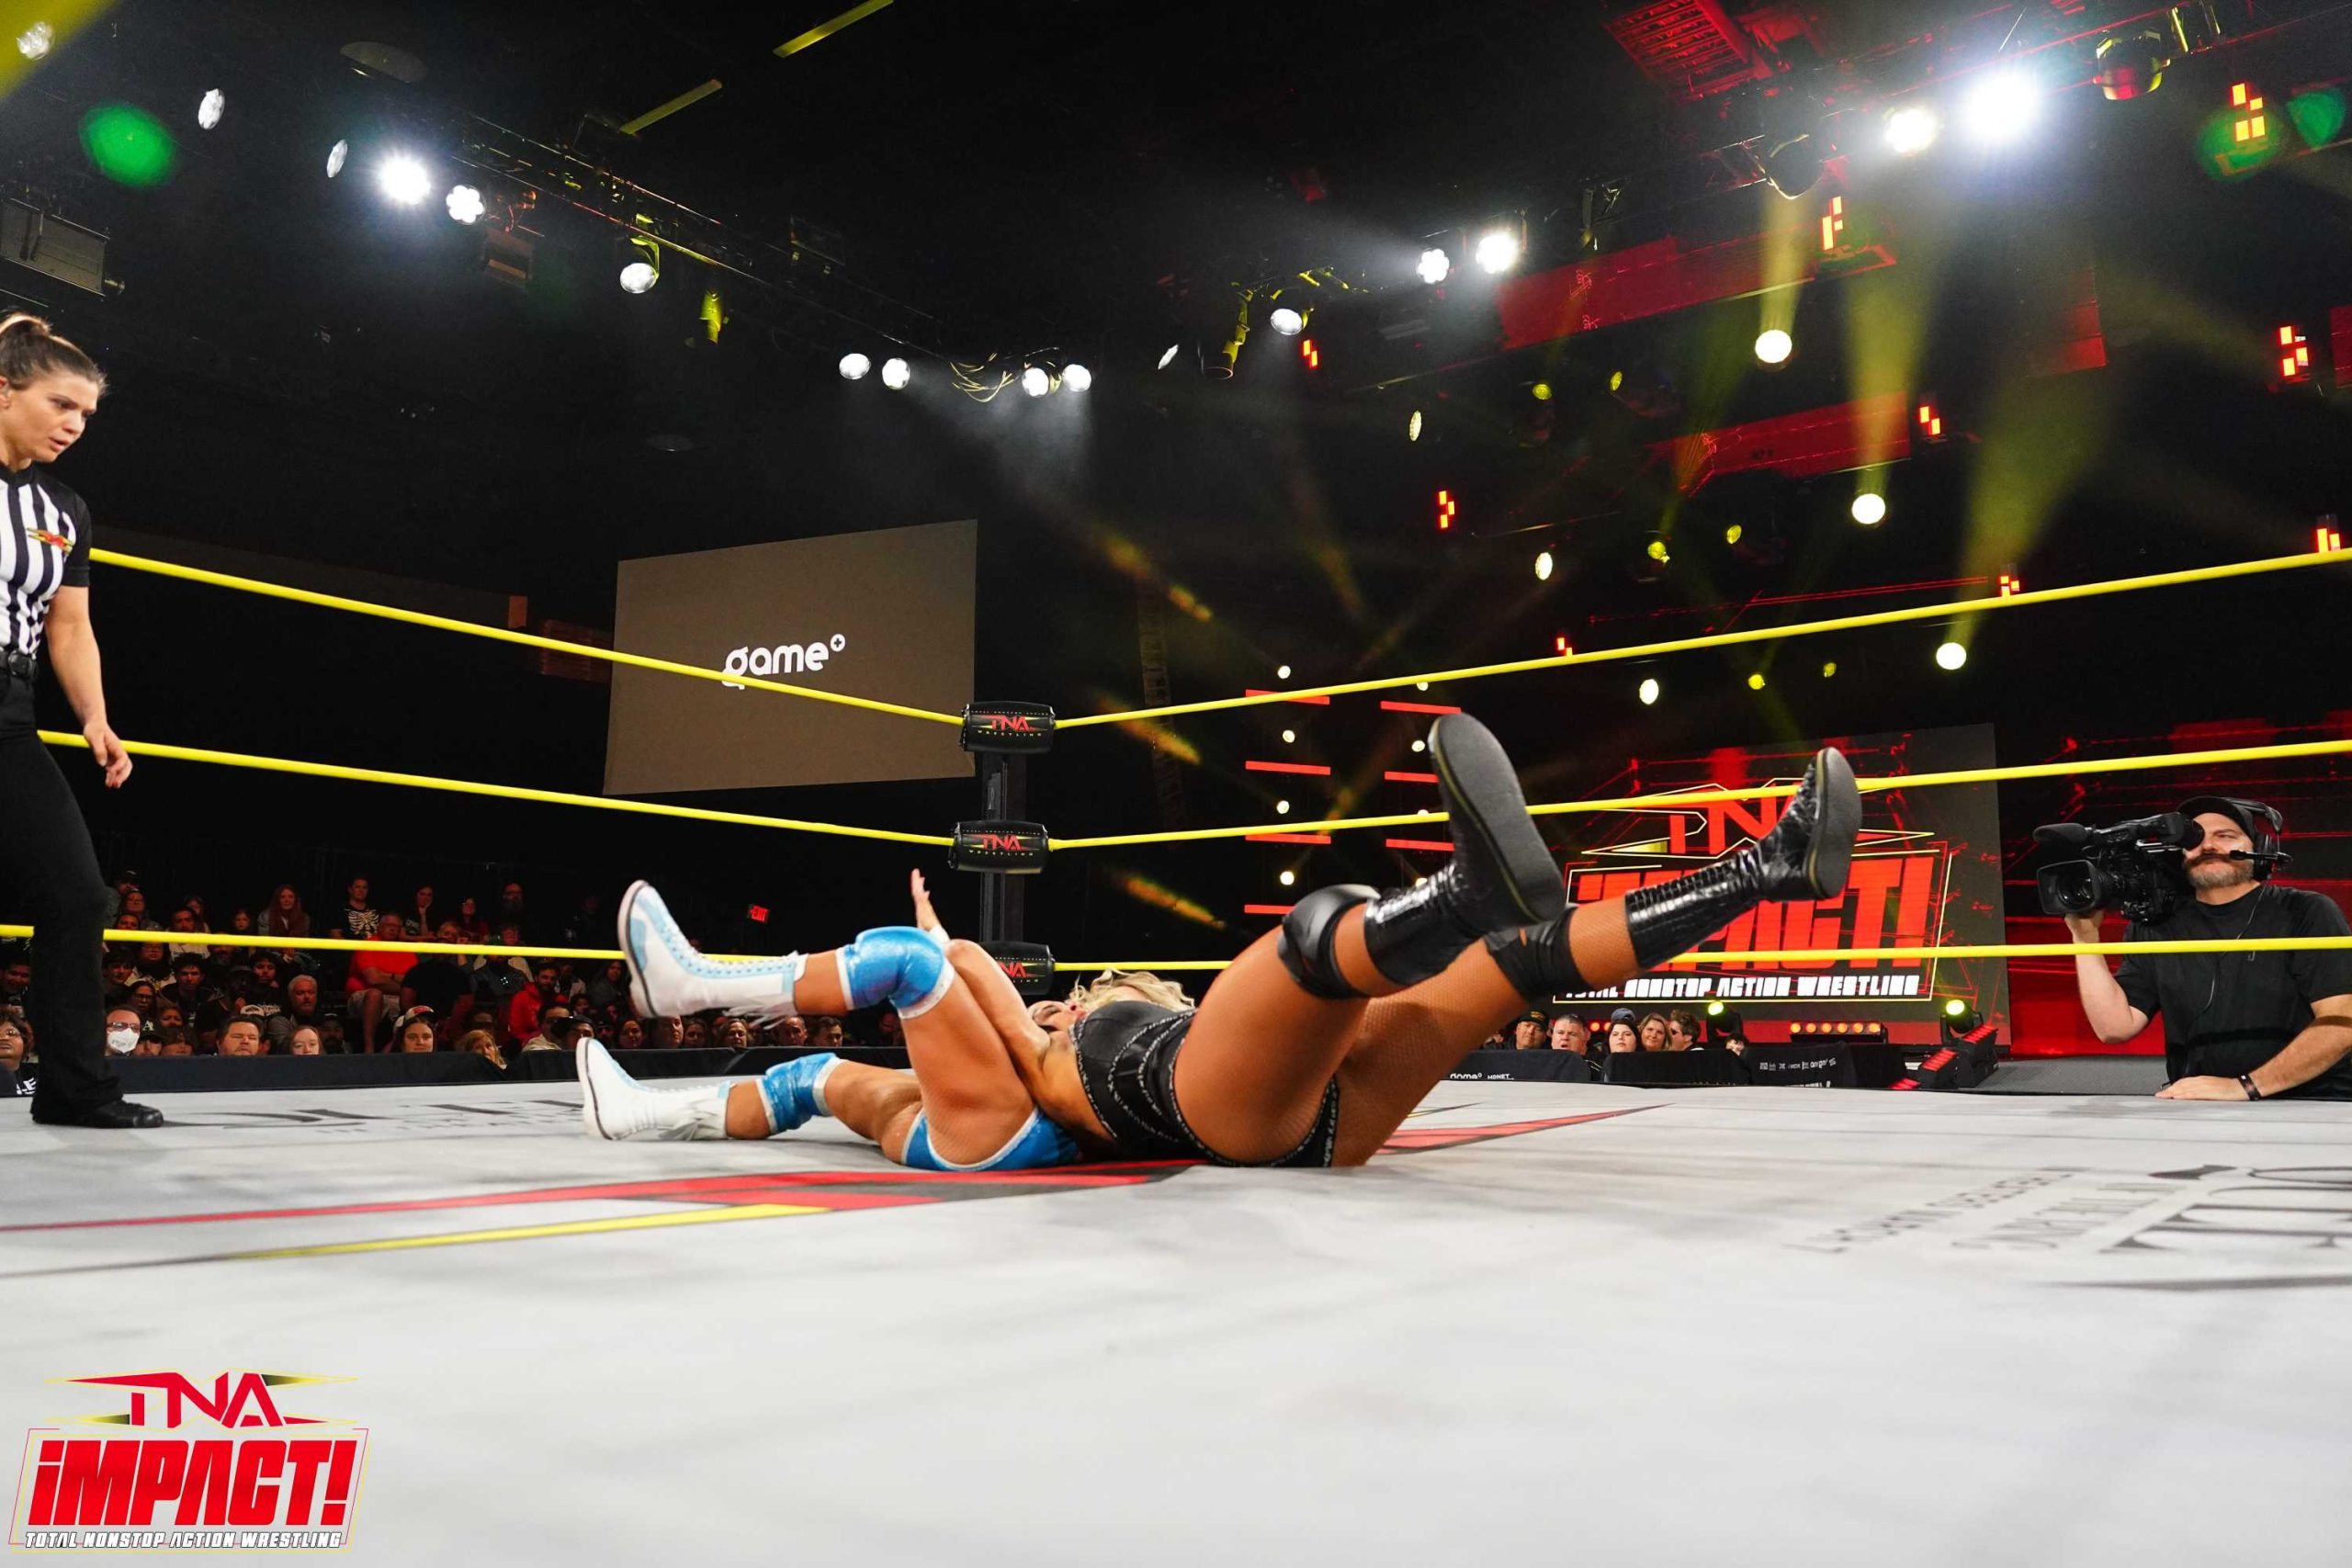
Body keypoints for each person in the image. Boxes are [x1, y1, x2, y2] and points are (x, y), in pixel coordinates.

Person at [581, 718, 1858, 1170]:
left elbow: (853, 1063)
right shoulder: (1030, 1067)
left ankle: (1762, 869)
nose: (1064, 998)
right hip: (1218, 1102)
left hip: (1282, 1103)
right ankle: (1461, 892)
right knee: (1306, 941)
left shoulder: (1013, 1058)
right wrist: (958, 962)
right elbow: (965, 1005)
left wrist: (960, 967)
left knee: (1517, 963)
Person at [0, 317, 159, 1124]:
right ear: (4, 391)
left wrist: (96, 718)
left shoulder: (63, 508)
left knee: (76, 894)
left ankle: (74, 1089)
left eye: (86, 414)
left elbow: (69, 627)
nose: (74, 425)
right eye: (60, 403)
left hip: (9, 709)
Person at [2066, 795, 2352, 1100]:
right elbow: (2114, 1027)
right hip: (2202, 1105)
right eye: (2194, 838)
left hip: (2312, 1102)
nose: (2208, 846)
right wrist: (2085, 938)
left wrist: (2245, 1087)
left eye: (2225, 836)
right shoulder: (2154, 925)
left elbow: (2343, 1022)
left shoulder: (2305, 911)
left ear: (2260, 847)